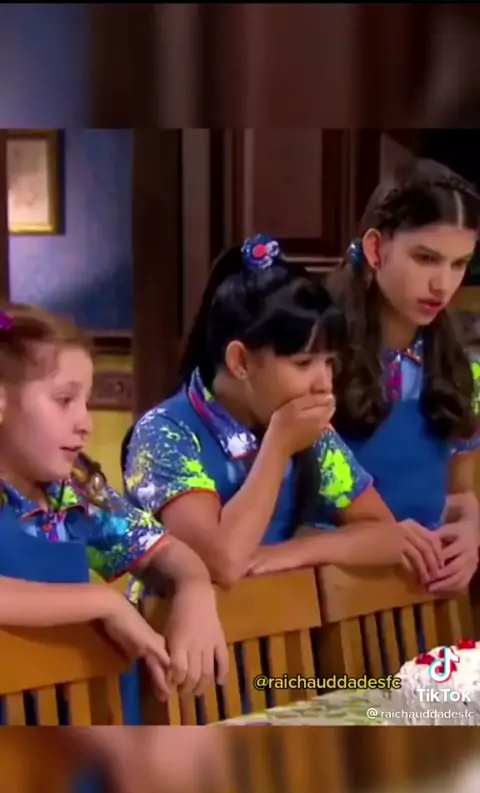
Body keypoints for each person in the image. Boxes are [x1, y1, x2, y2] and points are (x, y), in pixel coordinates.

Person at [122, 234, 403, 591]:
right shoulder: (164, 434)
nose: (324, 384)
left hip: (277, 621)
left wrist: (297, 551)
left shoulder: (305, 430)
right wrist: (278, 446)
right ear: (240, 361)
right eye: (303, 363)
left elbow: (388, 537)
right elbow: (221, 564)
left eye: (329, 363)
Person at [0, 301, 228, 725]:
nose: (85, 422)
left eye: (85, 401)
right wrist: (103, 602)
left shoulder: (77, 497)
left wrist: (195, 590)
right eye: (64, 400)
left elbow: (164, 551)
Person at [320, 158, 480, 595]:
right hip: (329, 591)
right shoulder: (317, 359)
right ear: (376, 249)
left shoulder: (460, 369)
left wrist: (470, 530)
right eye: (426, 258)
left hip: (419, 595)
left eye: (459, 264)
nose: (442, 285)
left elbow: (459, 494)